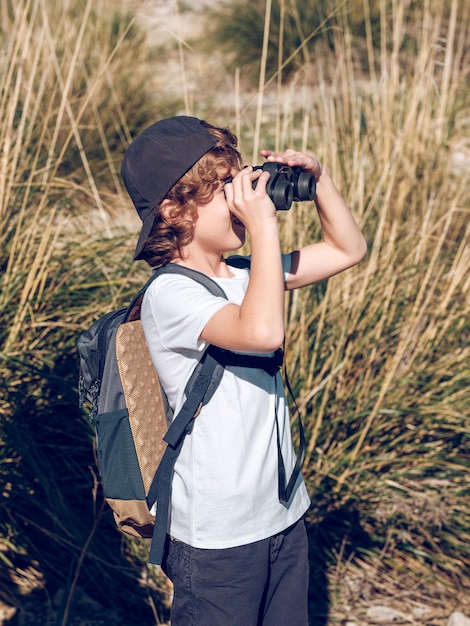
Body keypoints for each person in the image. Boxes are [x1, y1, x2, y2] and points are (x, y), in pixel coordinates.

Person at [121, 116, 367, 626]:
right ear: (173, 207)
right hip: (216, 538)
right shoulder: (171, 294)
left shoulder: (243, 274)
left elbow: (348, 249)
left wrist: (318, 182)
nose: (240, 197)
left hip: (281, 513)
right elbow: (262, 333)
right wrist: (262, 225)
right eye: (222, 188)